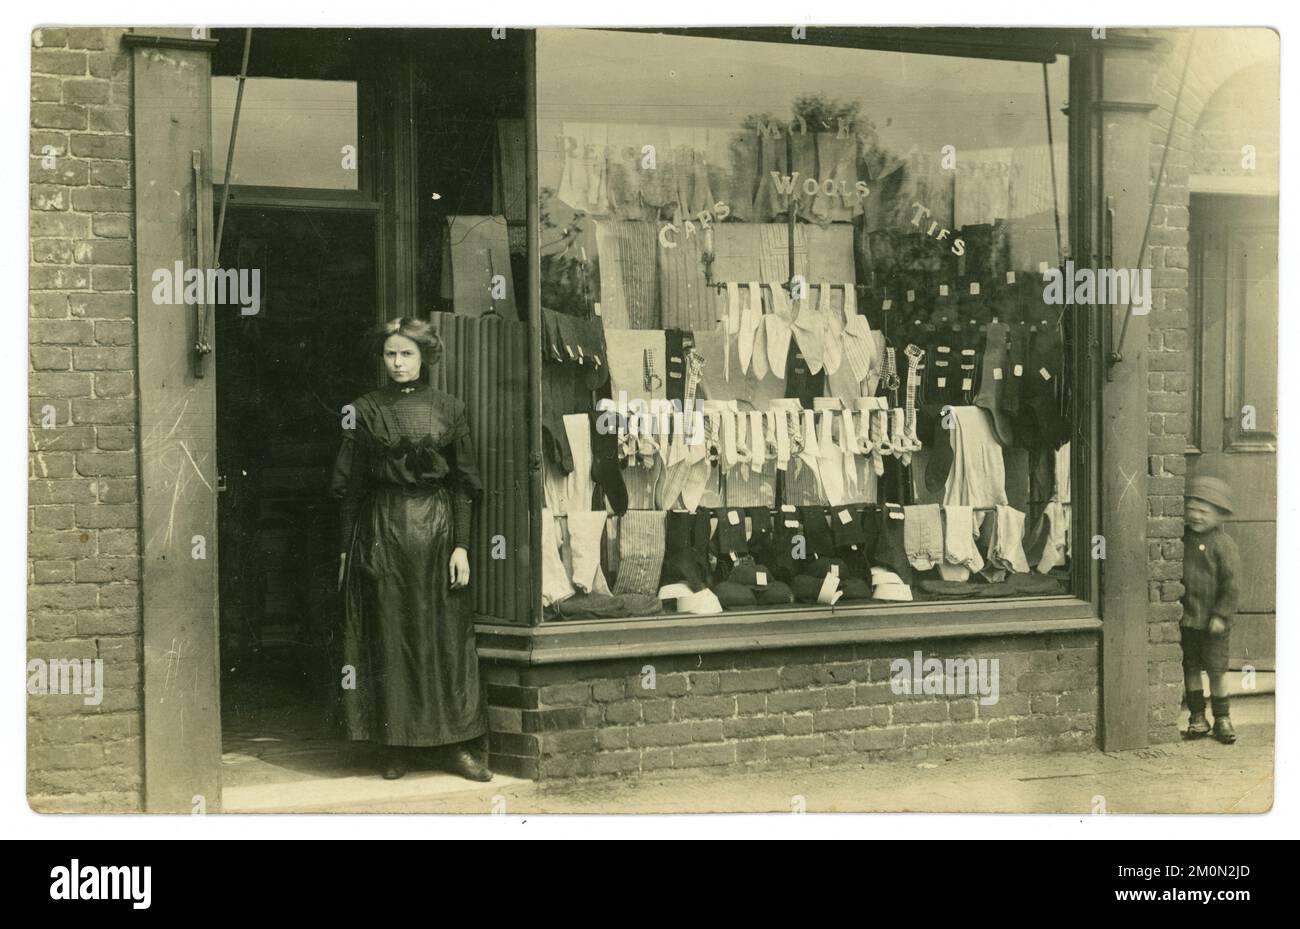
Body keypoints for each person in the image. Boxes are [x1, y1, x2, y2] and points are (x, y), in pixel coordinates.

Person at [330, 317, 492, 781]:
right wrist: (348, 549)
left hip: (438, 535)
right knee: (389, 637)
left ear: (424, 357)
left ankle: (455, 747)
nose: (398, 363)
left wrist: (461, 546)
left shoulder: (449, 408)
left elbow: (463, 484)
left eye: (407, 354)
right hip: (382, 532)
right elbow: (351, 489)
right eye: (390, 354)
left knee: (446, 639)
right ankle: (394, 746)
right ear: (380, 358)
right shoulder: (363, 409)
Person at [1180, 475, 1242, 745]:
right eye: (1191, 509)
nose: (1196, 516)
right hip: (1188, 620)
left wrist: (1221, 615)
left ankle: (1222, 717)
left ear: (1219, 516)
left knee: (1217, 671)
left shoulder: (1223, 545)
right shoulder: (1182, 539)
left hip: (1214, 623)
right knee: (1191, 668)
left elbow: (1232, 585)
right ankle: (1197, 717)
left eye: (1203, 511)